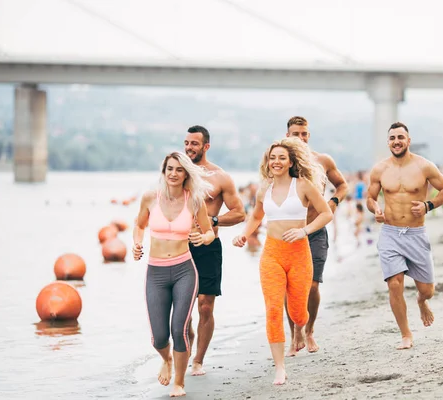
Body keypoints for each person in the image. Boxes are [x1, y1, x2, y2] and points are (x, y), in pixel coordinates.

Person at [232, 138, 333, 385]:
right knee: (274, 309)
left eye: (281, 158)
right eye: (272, 158)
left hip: (299, 253)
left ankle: (301, 329)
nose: (276, 162)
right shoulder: (263, 189)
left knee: (299, 313)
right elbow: (256, 215)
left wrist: (305, 231)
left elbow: (326, 213)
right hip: (272, 254)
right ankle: (280, 367)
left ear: (290, 162)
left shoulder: (304, 186)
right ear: (267, 162)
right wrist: (244, 233)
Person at [132, 152, 215, 397]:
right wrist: (137, 244)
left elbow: (209, 231)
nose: (173, 174)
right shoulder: (150, 198)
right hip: (155, 273)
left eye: (179, 170)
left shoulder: (194, 200)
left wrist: (202, 237)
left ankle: (179, 382)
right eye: (169, 169)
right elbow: (139, 225)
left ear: (186, 174)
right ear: (163, 171)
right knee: (158, 337)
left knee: (178, 329)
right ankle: (166, 359)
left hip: (184, 271)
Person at [366, 122, 443, 350]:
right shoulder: (380, 170)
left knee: (427, 290)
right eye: (392, 138)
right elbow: (371, 198)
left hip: (416, 233)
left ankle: (421, 302)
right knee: (394, 284)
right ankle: (406, 335)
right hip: (390, 233)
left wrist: (427, 205)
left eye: (400, 137)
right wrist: (375, 209)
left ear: (408, 140)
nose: (396, 141)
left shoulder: (424, 166)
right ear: (388, 142)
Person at [183, 125, 246, 376]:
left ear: (206, 146)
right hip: (179, 247)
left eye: (194, 144)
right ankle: (183, 348)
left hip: (208, 247)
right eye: (186, 143)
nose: (189, 148)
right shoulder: (176, 173)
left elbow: (240, 212)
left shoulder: (220, 177)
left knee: (205, 306)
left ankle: (198, 360)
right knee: (183, 310)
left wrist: (214, 221)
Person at [284, 116, 348, 355]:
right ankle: (294, 334)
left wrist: (333, 201)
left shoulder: (322, 161)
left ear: (308, 136)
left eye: (304, 134)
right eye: (295, 134)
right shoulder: (280, 162)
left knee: (311, 286)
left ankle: (309, 330)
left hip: (315, 231)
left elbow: (342, 185)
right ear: (287, 136)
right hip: (287, 233)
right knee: (289, 288)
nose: (300, 138)